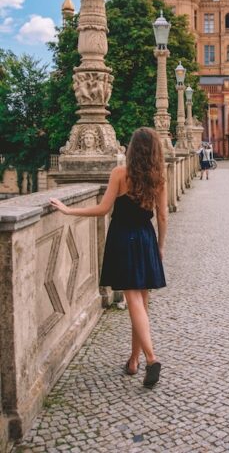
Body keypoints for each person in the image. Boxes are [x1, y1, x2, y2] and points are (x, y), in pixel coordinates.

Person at [50, 127, 166, 388]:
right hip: (146, 238)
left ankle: (150, 358)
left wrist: (69, 210)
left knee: (133, 299)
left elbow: (103, 208)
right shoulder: (159, 176)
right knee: (141, 304)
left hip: (124, 237)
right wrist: (160, 246)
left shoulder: (120, 174)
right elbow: (163, 215)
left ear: (132, 149)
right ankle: (134, 360)